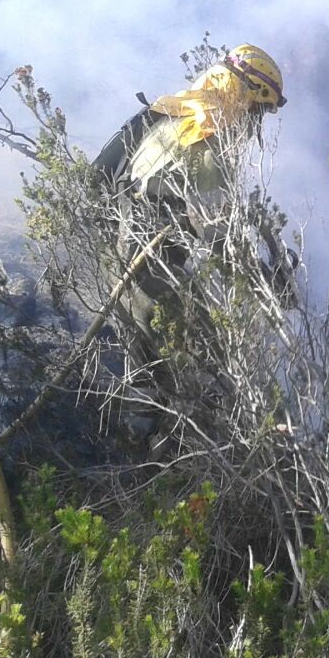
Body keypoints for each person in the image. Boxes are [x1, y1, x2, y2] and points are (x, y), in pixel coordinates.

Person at [91, 45, 287, 411]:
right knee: (209, 353)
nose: (254, 124)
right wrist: (267, 283)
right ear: (243, 97)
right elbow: (220, 240)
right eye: (257, 111)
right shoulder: (207, 143)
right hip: (150, 267)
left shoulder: (177, 112)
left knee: (153, 366)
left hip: (129, 252)